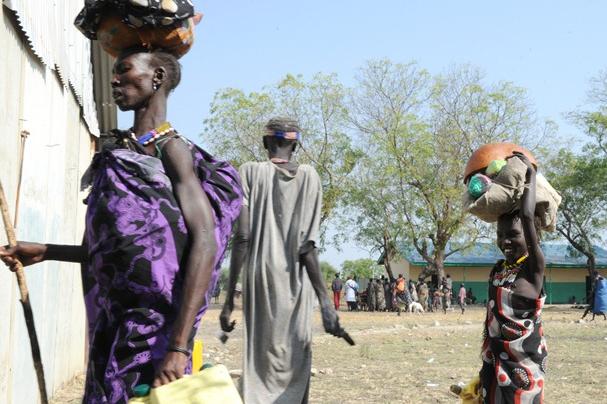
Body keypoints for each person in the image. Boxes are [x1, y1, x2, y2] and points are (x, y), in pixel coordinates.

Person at [1, 49, 243, 401]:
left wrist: (178, 347)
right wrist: (45, 251)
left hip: (155, 335)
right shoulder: (118, 155)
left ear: (157, 77)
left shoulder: (172, 151)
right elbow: (121, 252)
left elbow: (205, 241)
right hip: (114, 325)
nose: (114, 79)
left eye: (124, 70)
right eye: (114, 72)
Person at [219, 117, 350, 403]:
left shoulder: (249, 172)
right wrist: (325, 302)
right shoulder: (310, 177)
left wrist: (229, 300)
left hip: (260, 279)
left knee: (259, 364)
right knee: (295, 362)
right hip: (297, 283)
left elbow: (242, 237)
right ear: (295, 146)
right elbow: (307, 247)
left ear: (265, 142)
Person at [478, 152, 546, 403]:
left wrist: (530, 175)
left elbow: (527, 216)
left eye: (513, 235)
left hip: (524, 367)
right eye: (500, 235)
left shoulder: (533, 269)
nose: (505, 241)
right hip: (494, 364)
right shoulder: (498, 271)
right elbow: (490, 324)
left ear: (530, 236)